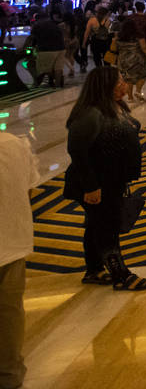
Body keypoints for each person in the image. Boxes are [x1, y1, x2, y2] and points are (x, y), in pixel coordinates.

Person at [62, 66, 146, 291]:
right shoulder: (90, 114)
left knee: (96, 225)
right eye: (119, 81)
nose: (124, 84)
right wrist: (91, 187)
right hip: (95, 183)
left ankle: (94, 270)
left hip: (112, 179)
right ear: (105, 86)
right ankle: (121, 275)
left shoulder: (113, 106)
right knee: (107, 227)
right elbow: (78, 152)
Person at [0, 129, 38, 389]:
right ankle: (9, 375)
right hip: (11, 243)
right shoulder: (14, 144)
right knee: (9, 313)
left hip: (11, 242)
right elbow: (29, 192)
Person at [115, 8, 146, 102]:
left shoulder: (119, 36)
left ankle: (130, 97)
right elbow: (144, 47)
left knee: (127, 78)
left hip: (123, 59)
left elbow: (116, 47)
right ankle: (138, 91)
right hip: (137, 59)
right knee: (142, 75)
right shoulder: (138, 35)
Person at [26, 11, 65, 88]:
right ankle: (57, 86)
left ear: (37, 19)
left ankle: (37, 83)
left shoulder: (37, 25)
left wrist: (25, 47)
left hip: (46, 49)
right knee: (58, 68)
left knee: (44, 68)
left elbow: (31, 37)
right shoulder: (54, 24)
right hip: (61, 48)